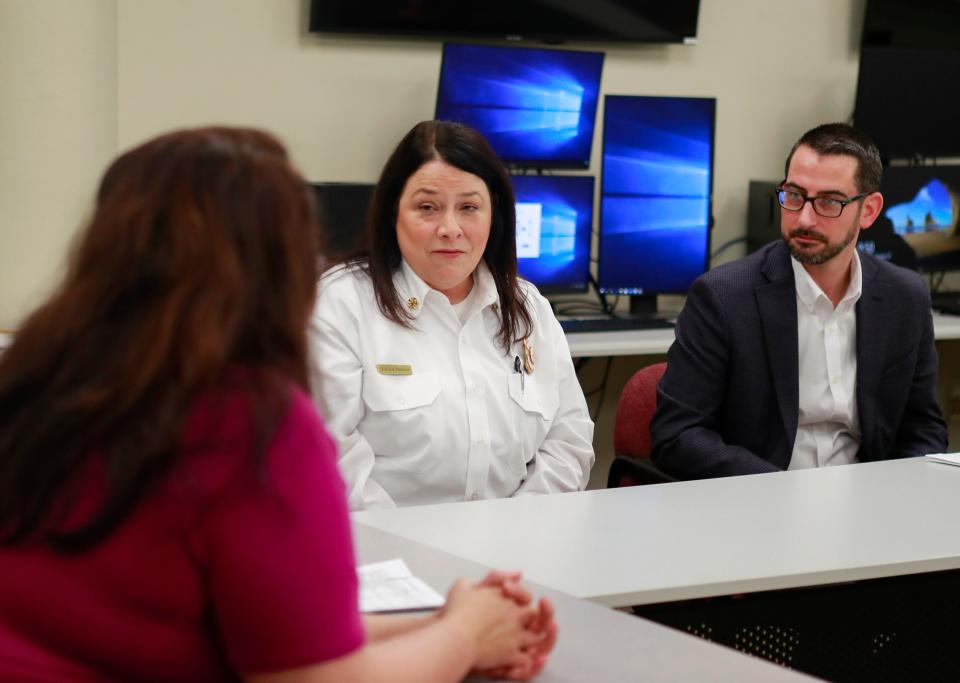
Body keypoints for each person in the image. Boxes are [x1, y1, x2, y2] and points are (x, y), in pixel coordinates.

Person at [0, 127, 556, 682]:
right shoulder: (248, 425)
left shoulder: (41, 376)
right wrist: (464, 635)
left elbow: (269, 628)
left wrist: (444, 620)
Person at [311, 120, 594, 510]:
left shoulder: (528, 307)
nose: (450, 228)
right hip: (389, 554)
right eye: (427, 207)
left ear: (494, 213)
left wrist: (521, 530)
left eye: (469, 208)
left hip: (517, 552)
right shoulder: (340, 306)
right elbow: (329, 459)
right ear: (393, 211)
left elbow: (569, 440)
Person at [651, 122, 948, 479]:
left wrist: (889, 493)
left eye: (829, 202)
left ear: (868, 210)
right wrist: (785, 491)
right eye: (794, 195)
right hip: (759, 501)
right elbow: (677, 435)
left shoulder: (905, 297)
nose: (804, 218)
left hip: (866, 504)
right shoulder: (724, 297)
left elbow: (922, 428)